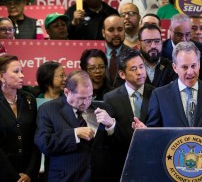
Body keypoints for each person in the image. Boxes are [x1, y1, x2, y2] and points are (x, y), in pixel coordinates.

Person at [34, 70, 116, 182]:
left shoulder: (104, 109)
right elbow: (44, 143)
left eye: (90, 97)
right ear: (67, 92)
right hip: (66, 178)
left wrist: (111, 125)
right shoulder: (48, 109)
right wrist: (74, 134)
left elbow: (118, 145)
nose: (86, 102)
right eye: (82, 98)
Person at [103, 48, 155, 180]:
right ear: (122, 74)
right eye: (133, 69)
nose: (140, 72)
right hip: (122, 164)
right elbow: (108, 141)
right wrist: (111, 126)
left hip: (151, 161)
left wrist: (148, 132)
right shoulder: (110, 98)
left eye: (141, 67)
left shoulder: (157, 94)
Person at [0, 54, 40, 182]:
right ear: (1, 76)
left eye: (21, 71)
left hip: (28, 174)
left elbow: (36, 138)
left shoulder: (29, 100)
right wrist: (14, 177)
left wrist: (29, 173)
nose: (22, 75)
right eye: (16, 72)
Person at [161, 14, 202, 82]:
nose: (183, 39)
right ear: (170, 30)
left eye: (187, 34)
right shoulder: (161, 50)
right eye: (179, 34)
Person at [102, 15, 130, 87]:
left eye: (120, 30)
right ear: (103, 33)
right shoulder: (96, 53)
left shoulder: (132, 54)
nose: (116, 34)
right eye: (111, 30)